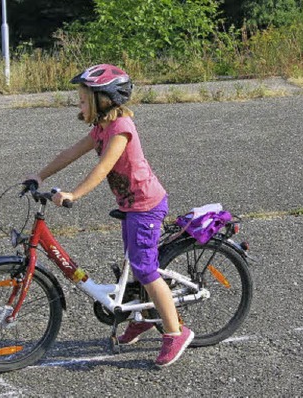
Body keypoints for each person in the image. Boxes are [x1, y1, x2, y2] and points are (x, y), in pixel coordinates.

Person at [26, 64, 193, 367]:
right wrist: (39, 175)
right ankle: (142, 316)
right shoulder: (102, 128)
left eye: (83, 98)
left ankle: (174, 332)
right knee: (135, 262)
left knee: (144, 268)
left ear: (104, 99)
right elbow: (71, 152)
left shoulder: (121, 130)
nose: (79, 103)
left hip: (146, 205)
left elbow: (102, 168)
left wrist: (73, 194)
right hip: (131, 206)